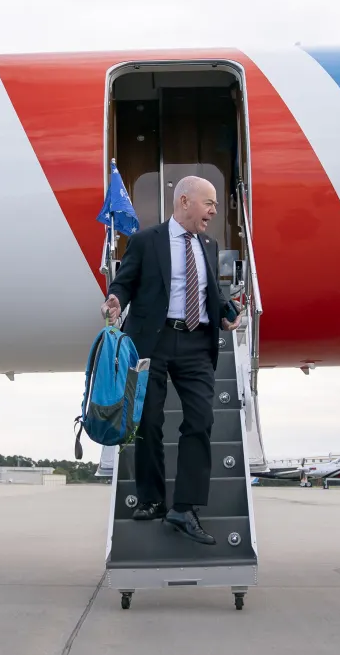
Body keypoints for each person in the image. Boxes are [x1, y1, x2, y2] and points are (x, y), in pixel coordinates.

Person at [102, 176, 241, 544]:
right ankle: (151, 499)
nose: (213, 210)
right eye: (208, 203)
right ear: (184, 201)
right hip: (153, 341)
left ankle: (185, 508)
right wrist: (115, 298)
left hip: (197, 343)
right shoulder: (147, 241)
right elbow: (125, 282)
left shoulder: (208, 245)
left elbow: (212, 286)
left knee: (201, 420)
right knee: (148, 420)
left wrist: (227, 309)